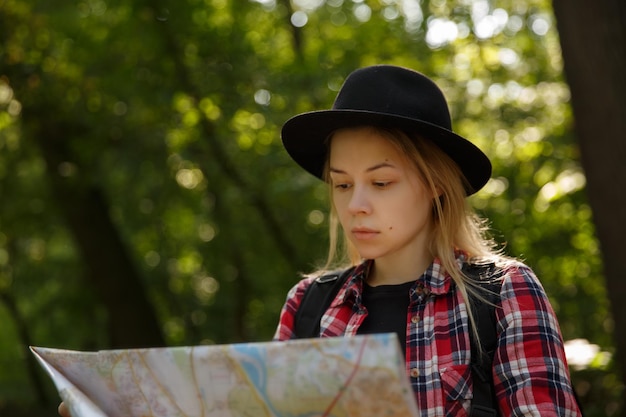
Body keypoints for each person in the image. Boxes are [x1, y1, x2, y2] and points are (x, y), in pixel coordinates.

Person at [274, 64, 582, 416]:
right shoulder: (306, 305)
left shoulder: (504, 294)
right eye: (342, 185)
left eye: (381, 183)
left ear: (436, 183)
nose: (355, 206)